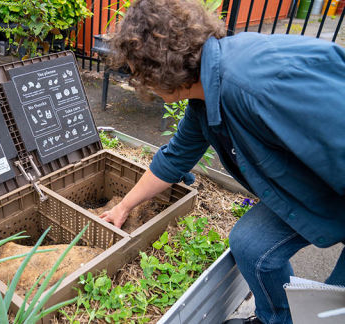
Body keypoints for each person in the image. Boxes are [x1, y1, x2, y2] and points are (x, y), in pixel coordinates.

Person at [98, 0, 345, 323]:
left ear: (159, 67)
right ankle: (278, 318)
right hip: (314, 183)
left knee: (329, 312)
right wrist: (122, 208)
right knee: (252, 246)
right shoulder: (206, 91)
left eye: (138, 72)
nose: (137, 81)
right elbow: (175, 158)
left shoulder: (258, 86)